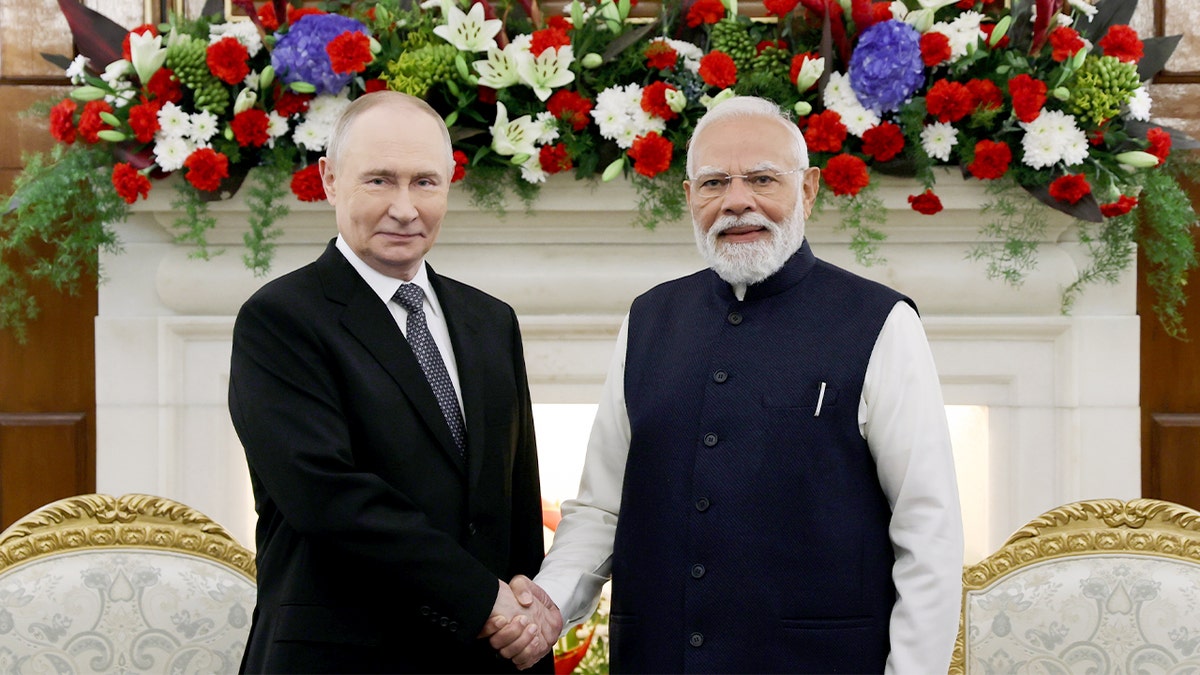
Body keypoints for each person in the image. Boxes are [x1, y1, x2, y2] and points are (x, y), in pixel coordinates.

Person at [497, 95, 964, 673]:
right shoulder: (647, 319)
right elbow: (600, 510)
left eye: (762, 179)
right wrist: (549, 604)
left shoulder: (881, 322)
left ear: (809, 190)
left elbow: (929, 533)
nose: (737, 201)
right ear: (690, 197)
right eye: (715, 182)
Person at [228, 91, 560, 673]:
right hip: (342, 658)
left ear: (450, 183)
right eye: (379, 180)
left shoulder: (490, 320)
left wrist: (526, 608)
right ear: (330, 180)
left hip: (482, 658)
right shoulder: (280, 319)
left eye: (425, 182)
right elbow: (329, 499)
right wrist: (485, 599)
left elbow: (513, 496)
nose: (405, 208)